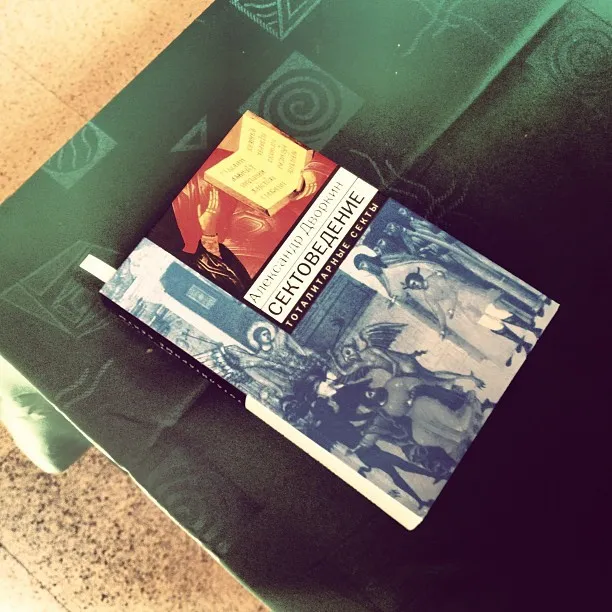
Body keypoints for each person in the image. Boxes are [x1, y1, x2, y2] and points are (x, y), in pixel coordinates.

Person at [403, 267, 535, 362]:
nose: (415, 287)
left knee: (499, 314)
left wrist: (451, 309)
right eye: (412, 287)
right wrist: (442, 328)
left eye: (414, 283)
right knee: (494, 326)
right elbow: (438, 311)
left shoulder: (435, 278)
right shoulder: (427, 295)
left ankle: (534, 330)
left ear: (418, 278)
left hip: (470, 296)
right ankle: (524, 344)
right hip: (464, 307)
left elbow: (452, 293)